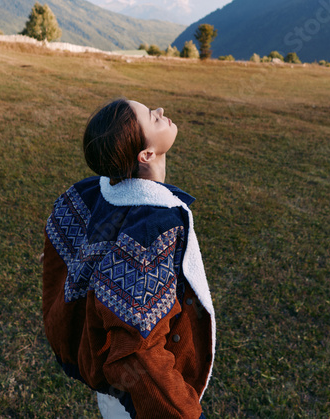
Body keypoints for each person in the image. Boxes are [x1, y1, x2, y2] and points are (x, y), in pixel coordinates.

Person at [42, 98, 216, 419]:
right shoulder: (152, 230)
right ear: (145, 154)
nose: (161, 111)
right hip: (140, 404)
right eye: (153, 117)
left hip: (113, 391)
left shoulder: (88, 193)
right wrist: (183, 413)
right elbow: (138, 347)